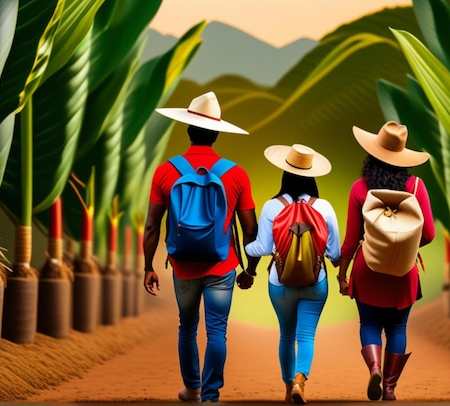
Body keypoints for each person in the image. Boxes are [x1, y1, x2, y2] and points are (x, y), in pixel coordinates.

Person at [143, 91, 260, 403]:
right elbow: (251, 229)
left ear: (188, 129)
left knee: (187, 328)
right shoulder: (236, 174)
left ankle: (192, 388)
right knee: (217, 332)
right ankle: (210, 395)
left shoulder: (166, 171)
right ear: (217, 133)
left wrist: (148, 267)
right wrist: (250, 269)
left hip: (183, 265)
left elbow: (152, 225)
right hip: (221, 265)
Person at [337, 121, 435, 401]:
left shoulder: (359, 188)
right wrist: (404, 245)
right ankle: (390, 387)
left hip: (368, 269)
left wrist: (342, 275)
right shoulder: (416, 186)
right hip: (404, 272)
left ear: (372, 154)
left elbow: (351, 239)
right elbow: (428, 233)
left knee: (368, 324)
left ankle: (375, 368)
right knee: (397, 327)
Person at [239, 144, 341, 404]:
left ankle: (287, 390)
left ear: (284, 174)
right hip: (315, 282)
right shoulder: (325, 207)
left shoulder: (272, 206)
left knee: (286, 335)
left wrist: (242, 244)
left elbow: (260, 248)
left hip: (280, 282)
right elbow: (335, 254)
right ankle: (300, 381)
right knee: (306, 335)